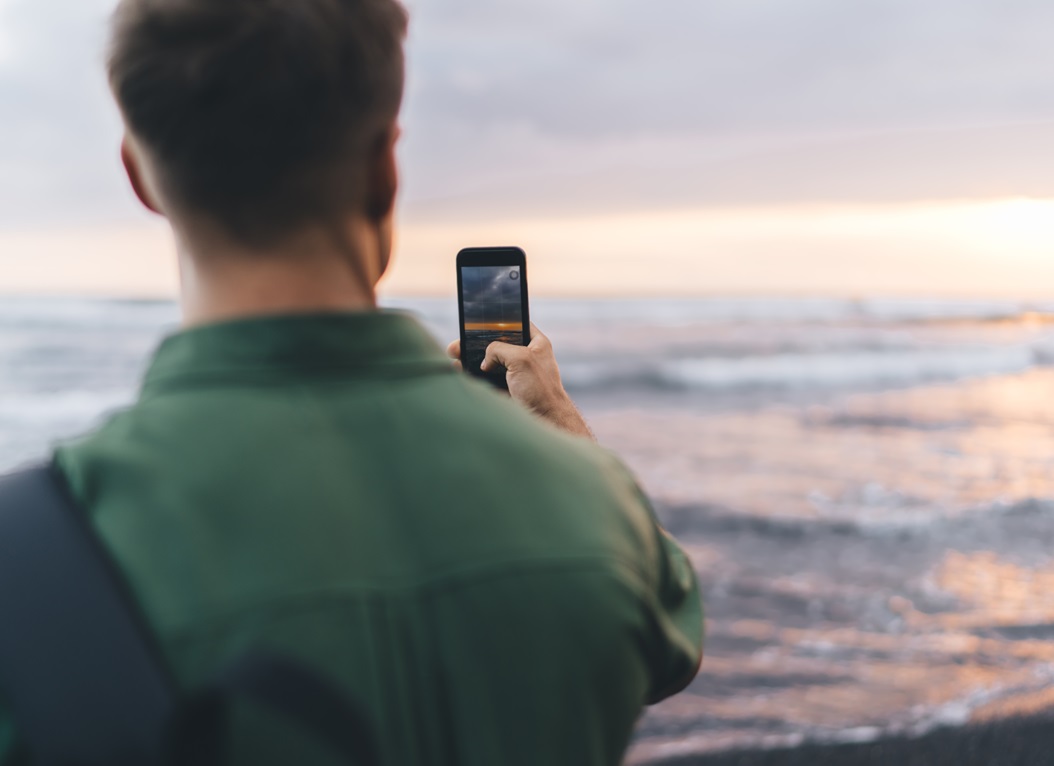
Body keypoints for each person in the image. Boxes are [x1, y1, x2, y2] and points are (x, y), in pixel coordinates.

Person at [0, 0, 703, 763]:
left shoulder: (36, 559)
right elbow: (672, 627)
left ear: (142, 177)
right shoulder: (593, 515)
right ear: (385, 169)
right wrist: (558, 425)